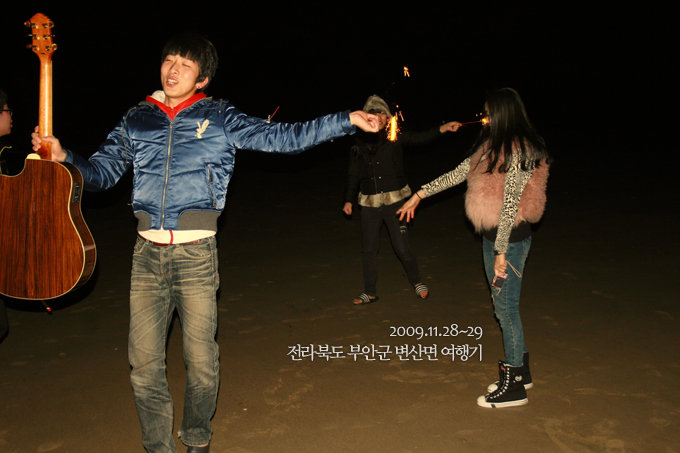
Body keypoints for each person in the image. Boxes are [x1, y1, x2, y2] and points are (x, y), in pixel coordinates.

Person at [32, 33, 379, 453]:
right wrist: (66, 156)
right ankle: (158, 447)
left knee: (201, 364)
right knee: (143, 366)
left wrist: (345, 119)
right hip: (146, 257)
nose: (174, 69)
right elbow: (102, 175)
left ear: (202, 78)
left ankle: (197, 438)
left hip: (196, 256)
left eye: (186, 64)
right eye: (169, 60)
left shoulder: (218, 116)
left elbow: (284, 138)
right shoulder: (137, 118)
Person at [397, 87, 550, 408]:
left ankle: (515, 386)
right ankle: (521, 372)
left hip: (509, 241)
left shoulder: (521, 151)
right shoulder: (491, 146)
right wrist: (419, 194)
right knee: (504, 307)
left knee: (506, 311)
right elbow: (458, 173)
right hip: (493, 237)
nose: (485, 118)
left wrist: (501, 252)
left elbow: (510, 205)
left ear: (504, 114)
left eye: (490, 113)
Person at [343, 95, 461, 305]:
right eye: (374, 114)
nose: (379, 118)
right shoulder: (359, 143)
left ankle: (417, 282)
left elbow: (420, 138)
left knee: (401, 247)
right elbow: (354, 173)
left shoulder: (395, 137)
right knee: (369, 249)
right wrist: (348, 200)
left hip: (396, 203)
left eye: (382, 114)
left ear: (387, 117)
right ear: (367, 117)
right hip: (369, 205)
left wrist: (443, 128)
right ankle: (370, 291)